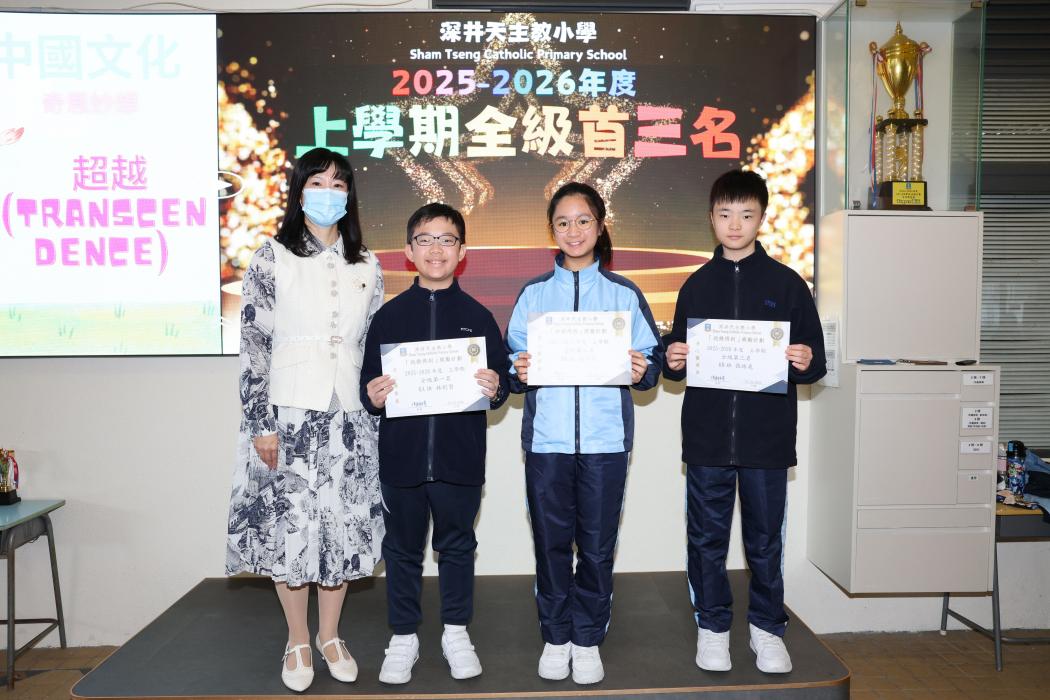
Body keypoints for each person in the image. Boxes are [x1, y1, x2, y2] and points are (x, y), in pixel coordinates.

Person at [226, 147, 384, 692]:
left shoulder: (368, 264)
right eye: (318, 182)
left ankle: (330, 635)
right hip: (288, 415)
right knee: (290, 528)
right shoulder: (271, 257)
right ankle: (297, 639)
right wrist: (260, 423)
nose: (329, 192)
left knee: (341, 526)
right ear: (299, 192)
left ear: (349, 195)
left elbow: (374, 344)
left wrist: (378, 408)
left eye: (339, 183)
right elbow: (254, 345)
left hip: (350, 418)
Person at [662, 169, 826, 674]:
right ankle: (712, 628)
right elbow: (676, 361)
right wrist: (673, 358)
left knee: (764, 541)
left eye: (746, 215)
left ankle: (767, 629)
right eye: (725, 214)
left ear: (762, 218)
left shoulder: (787, 283)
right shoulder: (695, 285)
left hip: (766, 440)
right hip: (708, 438)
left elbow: (816, 361)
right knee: (706, 539)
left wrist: (804, 359)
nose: (735, 225)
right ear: (711, 218)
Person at [506, 182, 664, 685]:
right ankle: (556, 636)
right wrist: (518, 369)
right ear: (551, 230)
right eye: (563, 222)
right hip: (547, 443)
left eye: (583, 220)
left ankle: (588, 637)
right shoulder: (533, 294)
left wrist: (642, 369)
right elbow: (512, 363)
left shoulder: (624, 294)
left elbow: (653, 363)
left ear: (600, 225)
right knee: (551, 543)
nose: (573, 231)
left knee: (597, 546)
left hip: (605, 441)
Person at [360, 203, 510, 685]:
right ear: (409, 250)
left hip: (459, 460)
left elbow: (501, 383)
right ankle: (403, 636)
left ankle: (456, 632)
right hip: (401, 461)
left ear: (462, 252)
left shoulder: (478, 317)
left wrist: (496, 387)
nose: (436, 249)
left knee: (458, 547)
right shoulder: (388, 318)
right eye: (425, 239)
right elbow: (368, 389)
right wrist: (373, 395)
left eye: (447, 240)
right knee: (402, 551)